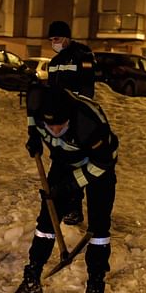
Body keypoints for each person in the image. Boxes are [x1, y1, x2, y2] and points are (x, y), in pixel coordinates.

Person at [7, 85, 118, 293]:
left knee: (98, 230)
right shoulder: (36, 104)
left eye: (61, 125)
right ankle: (31, 281)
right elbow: (31, 116)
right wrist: (33, 137)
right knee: (46, 222)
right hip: (63, 161)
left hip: (99, 165)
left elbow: (102, 164)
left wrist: (70, 185)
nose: (55, 130)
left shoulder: (89, 123)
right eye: (50, 126)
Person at [45, 20, 96, 226]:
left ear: (66, 37)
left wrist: (82, 116)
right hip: (59, 121)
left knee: (76, 163)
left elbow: (87, 89)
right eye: (51, 40)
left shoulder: (82, 56)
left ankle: (74, 208)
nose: (53, 43)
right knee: (59, 160)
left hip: (76, 118)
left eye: (56, 39)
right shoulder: (54, 62)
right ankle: (59, 203)